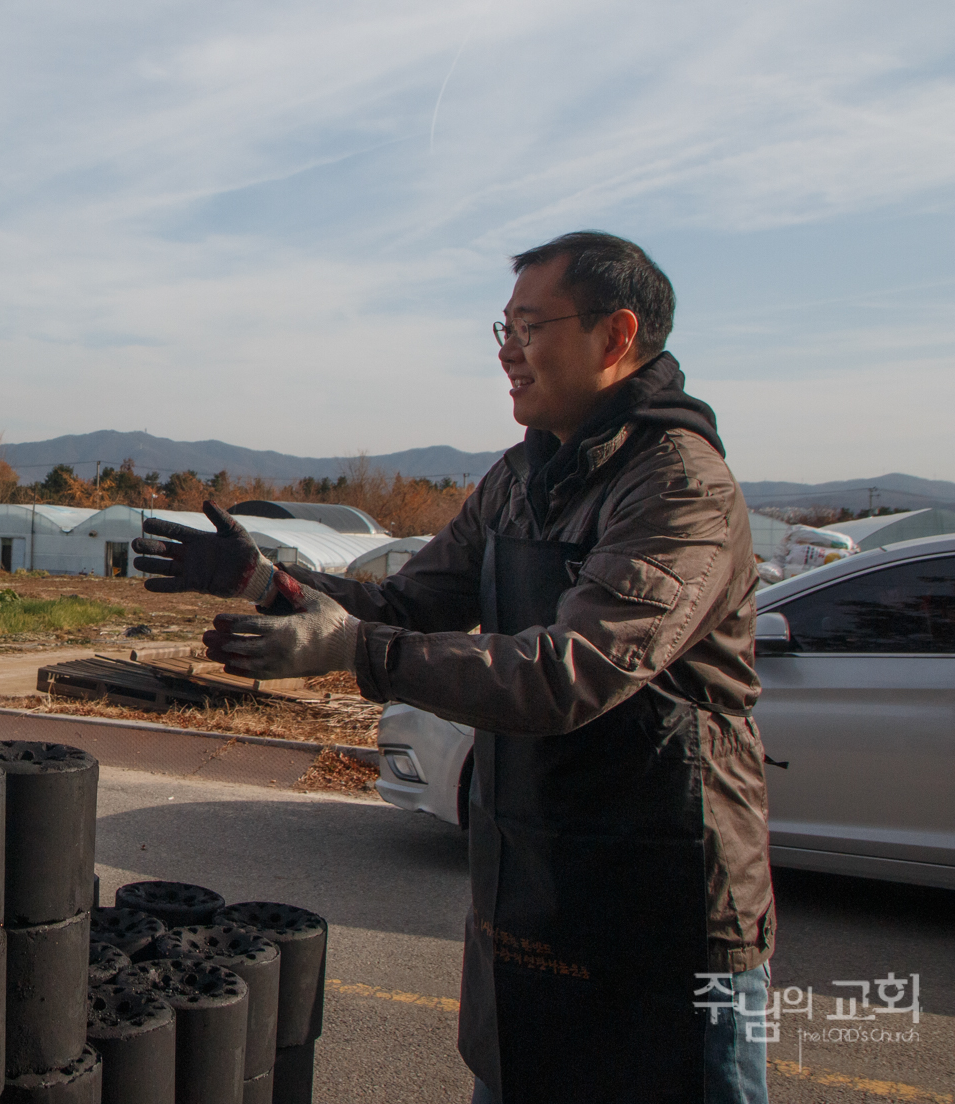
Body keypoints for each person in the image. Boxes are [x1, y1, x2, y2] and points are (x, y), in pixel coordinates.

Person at [135, 232, 773, 1104]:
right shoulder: (517, 480)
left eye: (530, 326)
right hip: (534, 895)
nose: (508, 353)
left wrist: (355, 653)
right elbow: (404, 606)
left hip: (666, 907)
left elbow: (566, 672)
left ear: (617, 336)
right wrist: (267, 582)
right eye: (502, 329)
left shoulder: (681, 489)